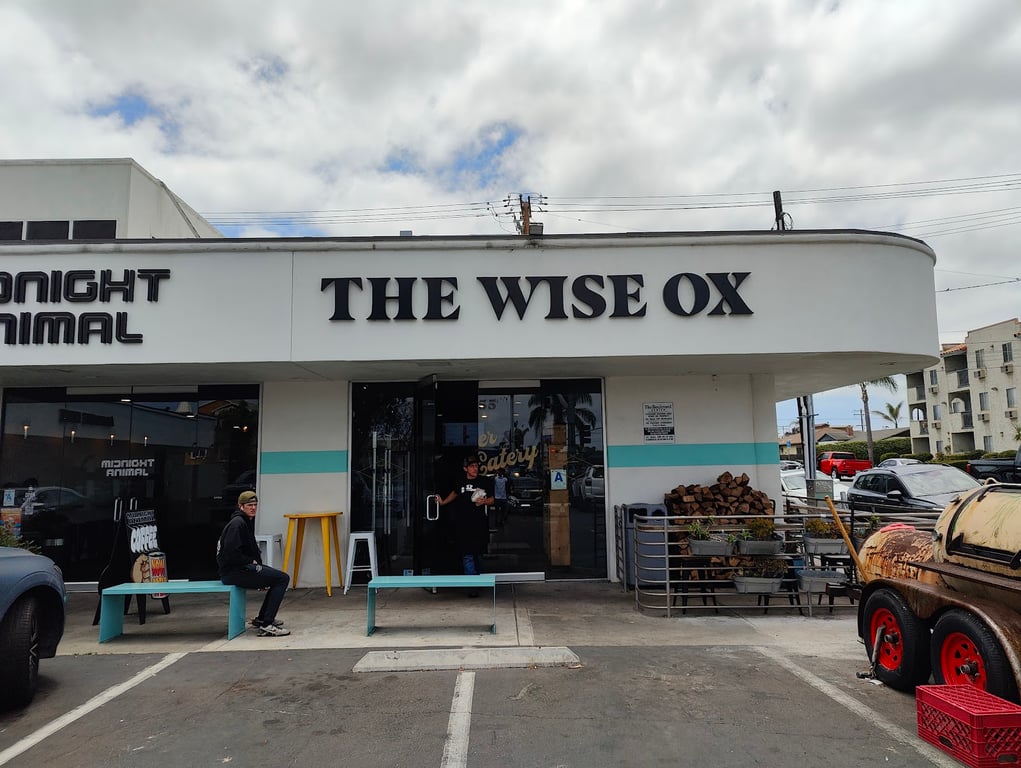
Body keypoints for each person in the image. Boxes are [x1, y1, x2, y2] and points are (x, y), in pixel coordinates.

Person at [216, 491, 291, 636]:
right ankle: (267, 624)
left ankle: (262, 619)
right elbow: (231, 554)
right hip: (234, 572)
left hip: (240, 569)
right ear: (241, 506)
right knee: (282, 579)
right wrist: (251, 563)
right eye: (249, 505)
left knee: (276, 577)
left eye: (255, 505)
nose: (253, 508)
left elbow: (252, 551)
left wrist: (259, 569)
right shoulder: (237, 524)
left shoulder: (244, 521)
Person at [435, 454, 493, 593]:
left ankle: (479, 582)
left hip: (479, 524)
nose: (475, 469)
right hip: (463, 524)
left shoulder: (484, 481)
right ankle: (472, 586)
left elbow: (493, 498)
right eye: (472, 466)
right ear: (465, 468)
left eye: (476, 466)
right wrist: (443, 502)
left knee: (478, 554)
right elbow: (454, 493)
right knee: (467, 555)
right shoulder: (460, 481)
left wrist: (485, 501)